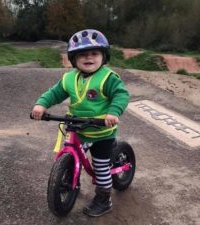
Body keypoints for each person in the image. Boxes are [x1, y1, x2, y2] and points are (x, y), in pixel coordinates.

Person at [31, 29, 130, 217]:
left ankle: (104, 199)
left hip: (102, 133)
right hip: (78, 128)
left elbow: (121, 94)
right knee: (67, 154)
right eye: (82, 54)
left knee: (101, 167)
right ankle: (71, 180)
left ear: (104, 56)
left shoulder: (107, 78)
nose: (88, 58)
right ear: (73, 59)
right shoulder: (69, 78)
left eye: (94, 53)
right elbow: (54, 93)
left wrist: (113, 112)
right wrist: (41, 104)